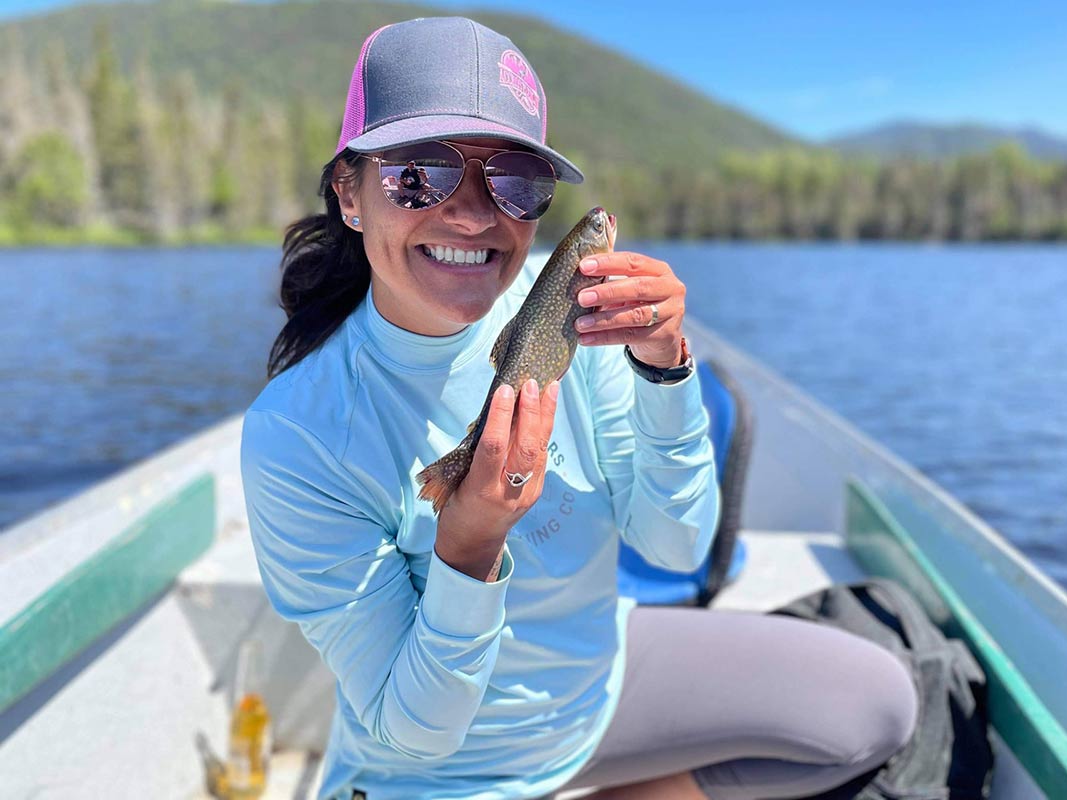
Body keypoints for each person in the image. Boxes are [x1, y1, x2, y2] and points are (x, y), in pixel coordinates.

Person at [240, 17, 917, 800]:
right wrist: (469, 548)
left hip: (599, 689)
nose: (472, 213)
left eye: (515, 182)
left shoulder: (570, 322)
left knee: (877, 703)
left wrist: (667, 370)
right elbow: (414, 727)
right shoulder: (297, 433)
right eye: (418, 176)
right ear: (350, 194)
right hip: (437, 771)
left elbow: (675, 546)